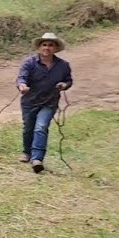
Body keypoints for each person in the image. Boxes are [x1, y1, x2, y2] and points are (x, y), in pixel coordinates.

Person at [16, 32, 72, 174]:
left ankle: (37, 159)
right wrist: (22, 86)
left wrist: (64, 85)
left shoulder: (63, 65)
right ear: (39, 47)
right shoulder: (29, 63)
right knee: (28, 128)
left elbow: (68, 80)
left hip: (49, 102)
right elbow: (22, 78)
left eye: (50, 45)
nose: (47, 48)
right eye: (44, 45)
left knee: (40, 127)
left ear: (55, 48)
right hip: (30, 101)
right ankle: (26, 152)